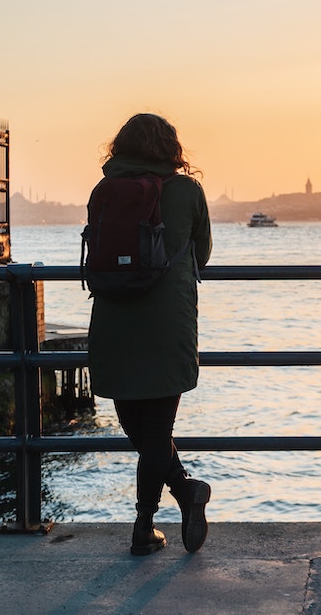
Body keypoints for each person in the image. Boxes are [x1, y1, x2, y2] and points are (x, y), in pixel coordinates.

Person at [87, 113, 213, 556]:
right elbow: (204, 253)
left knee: (136, 424)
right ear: (170, 149)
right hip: (167, 324)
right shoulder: (188, 191)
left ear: (120, 146)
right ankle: (176, 498)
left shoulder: (105, 189)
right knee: (157, 428)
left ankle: (153, 519)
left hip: (115, 319)